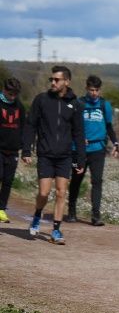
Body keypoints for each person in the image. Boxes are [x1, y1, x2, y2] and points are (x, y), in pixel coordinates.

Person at [21, 65, 86, 245]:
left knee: (61, 192)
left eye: (57, 80)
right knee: (43, 192)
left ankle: (56, 230)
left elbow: (79, 134)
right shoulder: (41, 100)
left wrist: (81, 158)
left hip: (65, 156)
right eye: (52, 79)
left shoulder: (75, 104)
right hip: (45, 154)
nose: (53, 82)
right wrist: (26, 150)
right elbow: (30, 125)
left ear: (67, 81)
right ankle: (36, 216)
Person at [67, 75, 119, 226]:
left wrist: (115, 143)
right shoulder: (79, 103)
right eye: (91, 90)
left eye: (97, 90)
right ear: (86, 89)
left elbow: (109, 126)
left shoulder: (105, 105)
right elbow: (71, 125)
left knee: (97, 181)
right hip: (79, 149)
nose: (94, 93)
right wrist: (77, 138)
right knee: (76, 179)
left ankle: (96, 216)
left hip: (98, 149)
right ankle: (71, 212)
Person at [0, 77, 25, 223]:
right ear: (4, 90)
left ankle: (1, 209)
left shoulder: (19, 106)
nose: (13, 96)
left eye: (16, 94)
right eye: (11, 93)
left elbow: (23, 126)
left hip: (13, 150)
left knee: (8, 180)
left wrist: (24, 145)